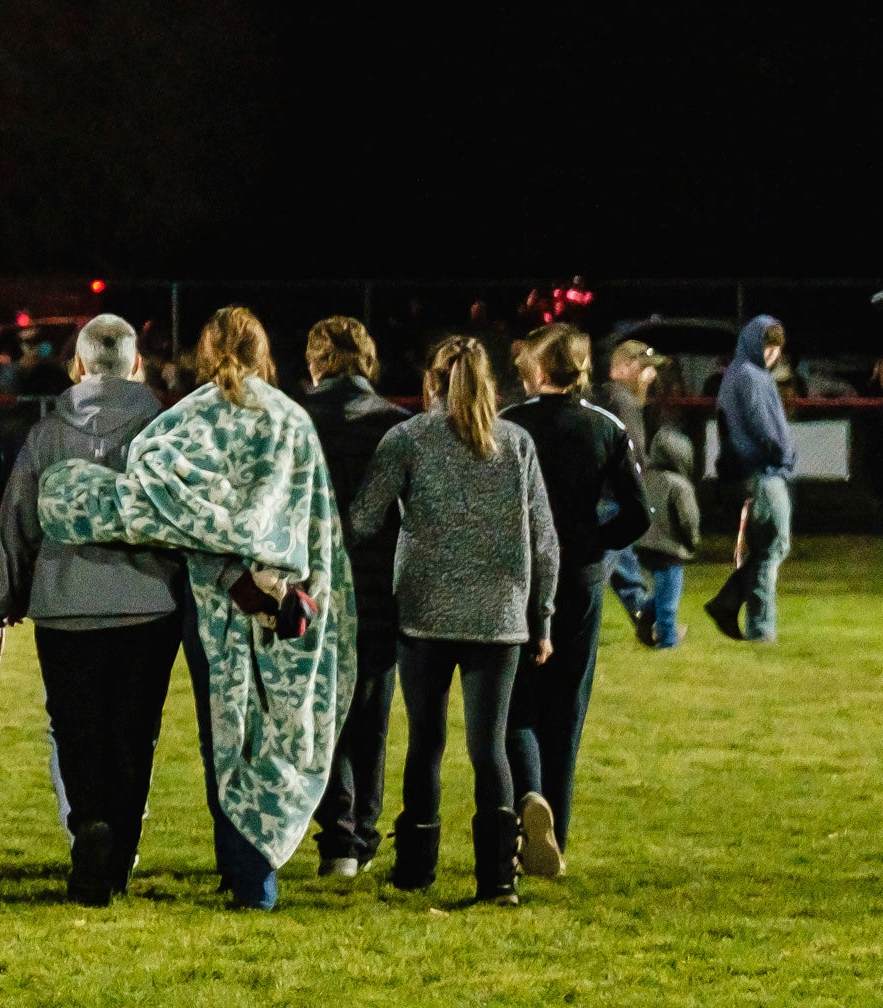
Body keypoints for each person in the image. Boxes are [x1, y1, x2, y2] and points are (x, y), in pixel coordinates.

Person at [41, 304, 347, 911]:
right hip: (279, 601)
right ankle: (254, 874)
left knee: (224, 735)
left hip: (213, 601)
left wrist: (71, 495)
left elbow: (153, 496)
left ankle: (243, 873)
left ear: (206, 354)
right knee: (271, 730)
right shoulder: (292, 421)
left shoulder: (188, 419)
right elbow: (314, 522)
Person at [0, 311, 184, 904]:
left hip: (65, 604)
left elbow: (16, 521)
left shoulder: (47, 433)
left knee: (76, 726)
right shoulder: (164, 429)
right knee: (133, 731)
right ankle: (117, 849)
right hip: (148, 602)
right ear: (136, 364)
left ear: (78, 365)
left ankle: (89, 822)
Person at [351, 332, 555, 904]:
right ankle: (497, 877)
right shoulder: (515, 443)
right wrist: (542, 616)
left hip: (423, 614)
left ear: (431, 383)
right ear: (489, 383)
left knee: (426, 742)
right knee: (489, 748)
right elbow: (545, 540)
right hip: (498, 616)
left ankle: (417, 865)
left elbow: (364, 519)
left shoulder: (408, 439)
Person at [502, 324, 646, 877]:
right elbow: (637, 514)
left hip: (520, 576)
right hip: (580, 578)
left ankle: (528, 799)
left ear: (537, 370)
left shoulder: (510, 424)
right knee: (567, 707)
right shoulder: (604, 427)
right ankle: (554, 835)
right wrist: (592, 546)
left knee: (516, 704)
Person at [297, 314, 408, 881]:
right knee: (371, 711)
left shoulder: (297, 421)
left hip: (310, 587)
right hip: (380, 585)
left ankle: (337, 832)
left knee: (321, 712)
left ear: (317, 362)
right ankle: (361, 832)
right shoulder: (396, 425)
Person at [704, 314, 793, 642]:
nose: (772, 354)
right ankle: (760, 628)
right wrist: (783, 454)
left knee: (764, 549)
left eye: (777, 348)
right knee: (774, 547)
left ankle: (727, 604)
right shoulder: (752, 377)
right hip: (764, 472)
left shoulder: (737, 373)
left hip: (750, 472)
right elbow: (762, 425)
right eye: (768, 345)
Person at [597, 340, 663, 637]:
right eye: (644, 367)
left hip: (607, 494)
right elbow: (630, 452)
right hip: (611, 495)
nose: (650, 375)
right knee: (596, 569)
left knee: (622, 563)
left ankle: (643, 614)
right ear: (621, 368)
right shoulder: (621, 400)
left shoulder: (618, 398)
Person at [630, 429, 701, 649]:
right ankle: (668, 643)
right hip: (670, 550)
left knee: (662, 592)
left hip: (645, 546)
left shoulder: (646, 479)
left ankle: (644, 620)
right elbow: (688, 519)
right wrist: (693, 542)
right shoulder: (679, 485)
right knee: (668, 603)